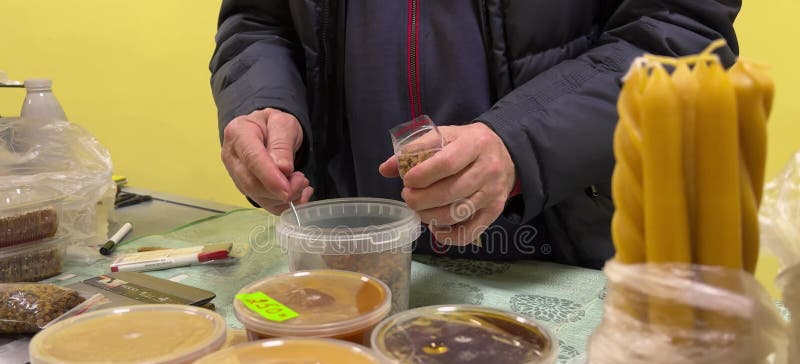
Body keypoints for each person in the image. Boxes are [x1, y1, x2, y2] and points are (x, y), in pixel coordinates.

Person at [210, 1, 740, 269]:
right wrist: (262, 101)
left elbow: (680, 35)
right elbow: (258, 19)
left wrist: (518, 142)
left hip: (570, 256)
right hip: (354, 260)